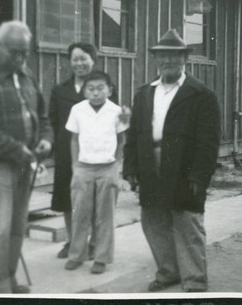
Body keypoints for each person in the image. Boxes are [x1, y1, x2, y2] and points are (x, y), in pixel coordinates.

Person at [123, 29, 221, 292]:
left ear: (184, 59)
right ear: (156, 59)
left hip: (184, 169)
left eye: (174, 56)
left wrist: (199, 175)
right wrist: (130, 168)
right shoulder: (144, 93)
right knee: (153, 222)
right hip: (150, 166)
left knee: (187, 223)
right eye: (163, 55)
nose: (168, 61)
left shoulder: (201, 94)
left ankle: (195, 280)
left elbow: (208, 142)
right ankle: (168, 273)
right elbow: (134, 134)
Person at [0, 21, 53, 293]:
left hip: (23, 164)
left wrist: (46, 140)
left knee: (17, 227)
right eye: (14, 52)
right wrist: (16, 149)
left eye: (24, 53)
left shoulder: (26, 74)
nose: (20, 58)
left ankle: (8, 281)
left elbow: (43, 116)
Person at [49, 43, 120, 260]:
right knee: (68, 200)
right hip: (68, 152)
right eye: (75, 59)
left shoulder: (105, 88)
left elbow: (114, 121)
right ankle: (73, 242)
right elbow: (53, 121)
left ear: (93, 60)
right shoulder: (60, 90)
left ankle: (94, 243)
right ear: (70, 62)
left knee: (97, 202)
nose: (79, 63)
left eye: (84, 59)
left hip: (98, 154)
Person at [64, 71, 128, 274]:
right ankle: (76, 255)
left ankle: (102, 258)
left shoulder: (118, 111)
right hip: (83, 167)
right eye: (90, 89)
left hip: (107, 168)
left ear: (109, 89)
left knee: (105, 215)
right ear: (84, 91)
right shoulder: (77, 110)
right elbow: (74, 139)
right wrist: (75, 166)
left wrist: (116, 166)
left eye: (100, 88)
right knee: (80, 213)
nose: (95, 93)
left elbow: (122, 141)